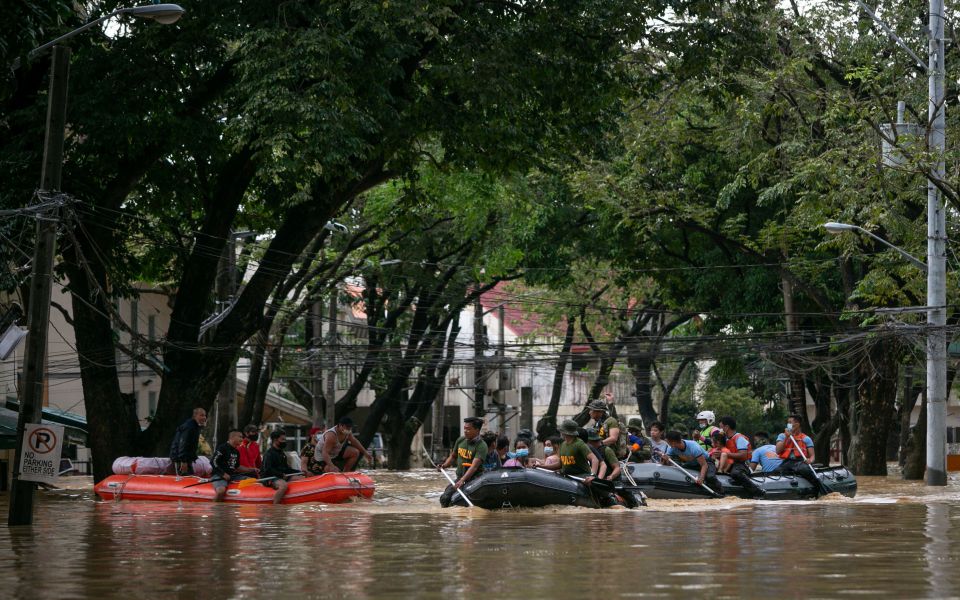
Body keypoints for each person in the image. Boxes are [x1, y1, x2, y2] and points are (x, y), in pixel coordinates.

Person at [438, 417, 488, 507]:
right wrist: (444, 465)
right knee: (445, 498)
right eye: (464, 428)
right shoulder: (460, 440)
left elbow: (474, 467)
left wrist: (462, 480)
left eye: (468, 429)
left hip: (475, 480)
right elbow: (453, 456)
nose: (465, 431)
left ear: (477, 430)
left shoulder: (481, 446)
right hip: (460, 478)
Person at [662, 430, 723, 495]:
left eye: (668, 442)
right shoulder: (672, 448)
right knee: (679, 470)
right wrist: (664, 459)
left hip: (707, 462)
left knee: (710, 477)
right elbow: (666, 462)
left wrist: (701, 478)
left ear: (673, 442)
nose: (667, 443)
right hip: (692, 464)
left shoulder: (694, 447)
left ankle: (721, 491)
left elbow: (704, 465)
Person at [774, 414, 825, 492]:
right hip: (787, 462)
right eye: (788, 423)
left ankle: (817, 488)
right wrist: (787, 437)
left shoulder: (806, 438)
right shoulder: (782, 436)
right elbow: (778, 450)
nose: (788, 425)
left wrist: (810, 461)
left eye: (790, 423)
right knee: (775, 472)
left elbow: (812, 456)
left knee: (804, 470)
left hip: (800, 462)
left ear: (797, 425)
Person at [718, 416, 765, 498]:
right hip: (731, 463)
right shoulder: (725, 439)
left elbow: (742, 455)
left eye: (721, 427)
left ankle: (757, 491)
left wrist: (725, 454)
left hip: (742, 464)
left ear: (727, 427)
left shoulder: (739, 438)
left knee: (736, 473)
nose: (720, 429)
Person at [210, 429, 257, 502]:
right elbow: (213, 462)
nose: (242, 439)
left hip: (232, 476)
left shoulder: (236, 451)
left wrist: (251, 469)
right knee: (220, 491)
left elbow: (237, 467)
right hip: (219, 475)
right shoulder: (222, 448)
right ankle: (214, 508)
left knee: (252, 481)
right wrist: (223, 474)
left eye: (242, 437)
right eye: (240, 437)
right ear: (232, 437)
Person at [262, 430, 303, 504]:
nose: (285, 441)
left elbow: (286, 469)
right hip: (270, 477)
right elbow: (267, 470)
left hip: (282, 476)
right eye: (282, 439)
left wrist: (300, 472)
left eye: (285, 439)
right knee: (283, 486)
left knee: (301, 478)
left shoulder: (282, 453)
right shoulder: (269, 454)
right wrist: (280, 474)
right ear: (275, 440)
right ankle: (275, 506)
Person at [170, 407, 207, 475]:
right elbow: (183, 443)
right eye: (201, 415)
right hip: (181, 460)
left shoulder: (194, 426)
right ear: (195, 415)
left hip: (185, 459)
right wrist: (183, 461)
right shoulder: (189, 427)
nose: (204, 417)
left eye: (205, 415)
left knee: (189, 477)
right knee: (185, 478)